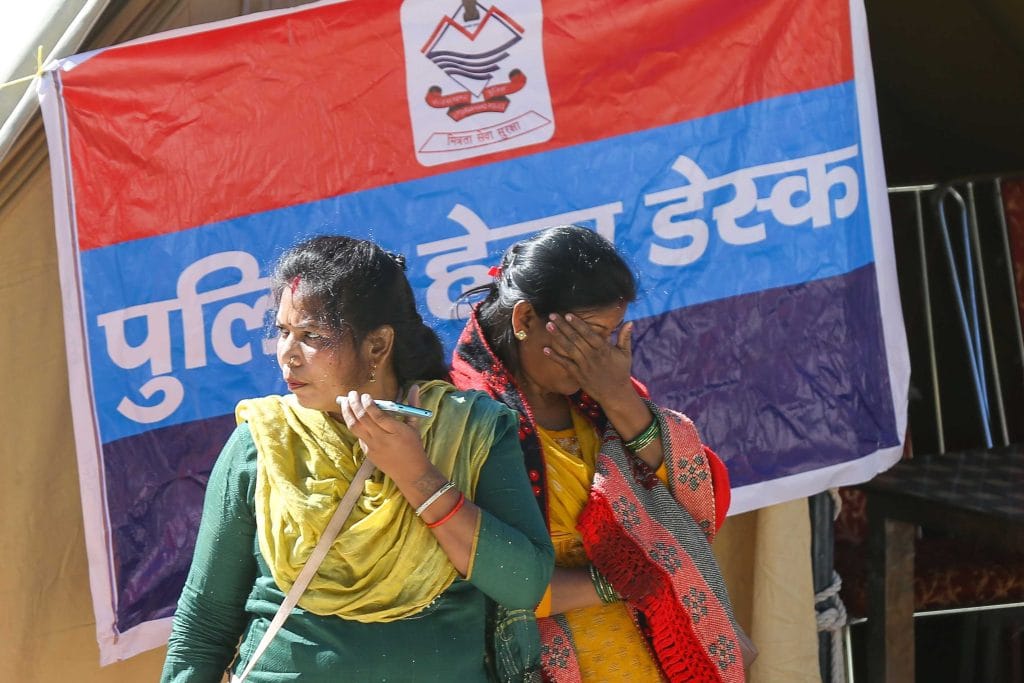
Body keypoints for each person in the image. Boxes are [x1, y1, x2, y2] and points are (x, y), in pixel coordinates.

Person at [161, 235, 554, 683]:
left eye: (311, 336)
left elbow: (525, 584)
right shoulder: (263, 441)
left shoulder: (469, 431)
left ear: (377, 346)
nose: (288, 354)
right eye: (283, 332)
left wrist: (417, 476)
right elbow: (204, 623)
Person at [451, 226, 752, 682]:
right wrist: (623, 578)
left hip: (652, 651)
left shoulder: (603, 402)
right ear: (526, 318)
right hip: (544, 660)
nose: (601, 353)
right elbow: (482, 576)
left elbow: (699, 505)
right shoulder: (464, 419)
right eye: (590, 334)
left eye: (609, 335)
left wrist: (620, 399)